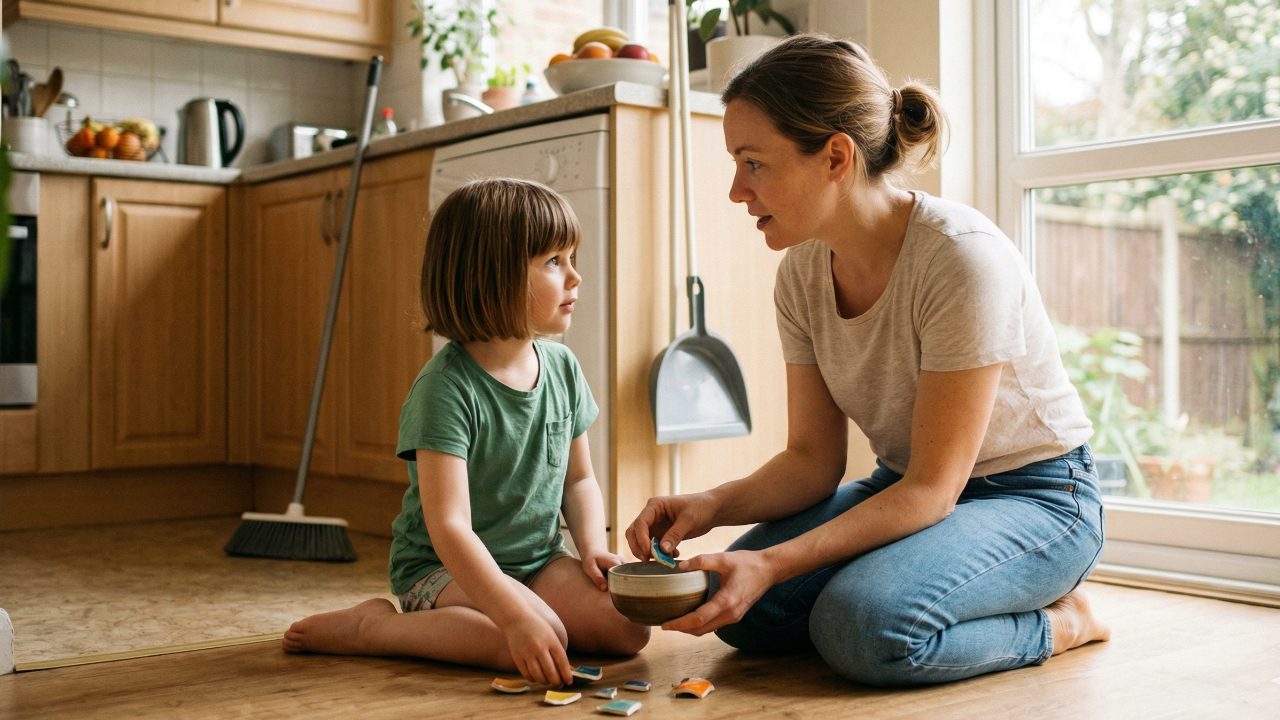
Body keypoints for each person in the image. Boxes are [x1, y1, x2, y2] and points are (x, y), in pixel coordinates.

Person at [626, 34, 1110, 687]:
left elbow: (935, 489)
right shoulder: (801, 273)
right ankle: (916, 587)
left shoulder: (961, 261)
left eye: (754, 162)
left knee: (860, 629)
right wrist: (708, 504)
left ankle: (1064, 621)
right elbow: (811, 462)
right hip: (906, 487)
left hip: (1038, 496)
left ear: (834, 156)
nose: (738, 190)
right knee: (737, 610)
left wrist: (778, 563)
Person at [284, 178, 649, 686]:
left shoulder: (563, 368)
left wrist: (590, 550)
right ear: (493, 277)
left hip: (537, 562)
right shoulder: (445, 389)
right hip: (442, 569)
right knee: (520, 638)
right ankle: (372, 629)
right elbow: (450, 527)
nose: (575, 277)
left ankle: (520, 611)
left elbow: (578, 481)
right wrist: (516, 617)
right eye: (553, 262)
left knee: (628, 629)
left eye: (572, 257)